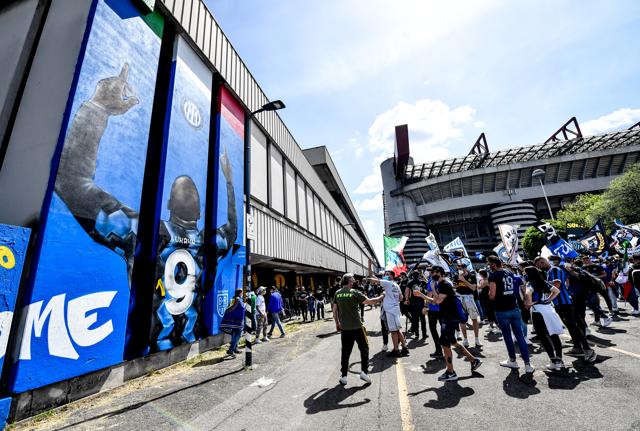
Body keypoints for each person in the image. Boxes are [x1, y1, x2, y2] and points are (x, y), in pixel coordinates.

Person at [413, 266, 482, 381]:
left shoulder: (444, 284)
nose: (432, 274)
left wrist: (427, 292)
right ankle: (474, 360)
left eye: (435, 272)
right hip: (447, 317)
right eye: (432, 272)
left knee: (445, 344)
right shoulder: (441, 285)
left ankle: (451, 372)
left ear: (441, 273)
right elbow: (437, 301)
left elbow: (437, 301)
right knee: (453, 342)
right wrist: (426, 295)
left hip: (449, 318)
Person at [333, 273, 384, 385]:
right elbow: (371, 301)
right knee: (364, 349)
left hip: (345, 328)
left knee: (345, 352)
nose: (354, 281)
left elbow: (334, 311)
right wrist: (382, 296)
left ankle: (344, 376)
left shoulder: (337, 293)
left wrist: (337, 323)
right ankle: (364, 372)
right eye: (353, 279)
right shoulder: (355, 293)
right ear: (349, 281)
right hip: (357, 327)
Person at [486, 256, 534, 373]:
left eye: (489, 264)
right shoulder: (509, 272)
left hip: (502, 310)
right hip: (514, 307)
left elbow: (492, 295)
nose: (488, 266)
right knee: (520, 336)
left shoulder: (493, 276)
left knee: (507, 336)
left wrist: (489, 292)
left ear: (493, 264)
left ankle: (512, 360)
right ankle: (527, 364)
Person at [524, 266, 567, 370]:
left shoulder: (530, 283)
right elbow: (556, 291)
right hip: (549, 310)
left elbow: (528, 293)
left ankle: (553, 360)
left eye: (524, 273)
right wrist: (548, 300)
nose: (524, 275)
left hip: (538, 312)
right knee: (553, 335)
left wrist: (529, 303)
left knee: (543, 336)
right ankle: (559, 359)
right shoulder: (544, 282)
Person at [372, 272, 410, 357]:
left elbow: (375, 280)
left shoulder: (388, 283)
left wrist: (366, 279)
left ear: (392, 276)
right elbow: (401, 298)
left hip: (390, 310)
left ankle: (396, 351)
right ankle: (404, 349)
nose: (386, 275)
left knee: (393, 331)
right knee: (397, 330)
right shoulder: (396, 285)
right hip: (396, 309)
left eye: (388, 274)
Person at [454, 262, 482, 348]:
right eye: (459, 268)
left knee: (474, 318)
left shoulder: (472, 276)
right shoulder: (456, 276)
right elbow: (456, 287)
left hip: (469, 298)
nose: (460, 270)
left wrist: (464, 280)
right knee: (462, 320)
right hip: (460, 298)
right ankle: (465, 340)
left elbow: (473, 288)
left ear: (465, 268)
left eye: (462, 268)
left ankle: (477, 339)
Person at [219, 288, 246, 358]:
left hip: (236, 321)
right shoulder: (237, 299)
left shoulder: (235, 299)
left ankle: (235, 349)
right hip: (236, 322)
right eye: (242, 293)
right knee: (237, 335)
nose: (242, 294)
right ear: (240, 293)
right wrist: (227, 313)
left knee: (235, 335)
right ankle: (231, 350)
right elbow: (232, 307)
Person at [425, 273, 443, 359]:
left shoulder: (431, 281)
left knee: (433, 329)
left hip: (434, 309)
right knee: (443, 330)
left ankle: (439, 350)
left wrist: (425, 306)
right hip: (442, 309)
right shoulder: (444, 281)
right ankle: (444, 349)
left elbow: (429, 294)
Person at [405, 272, 427, 339]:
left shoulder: (410, 282)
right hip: (421, 301)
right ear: (419, 275)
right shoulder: (423, 282)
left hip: (413, 302)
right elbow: (427, 285)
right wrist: (423, 276)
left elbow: (407, 291)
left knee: (415, 318)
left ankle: (417, 333)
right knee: (422, 318)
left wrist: (407, 299)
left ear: (412, 276)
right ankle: (424, 334)